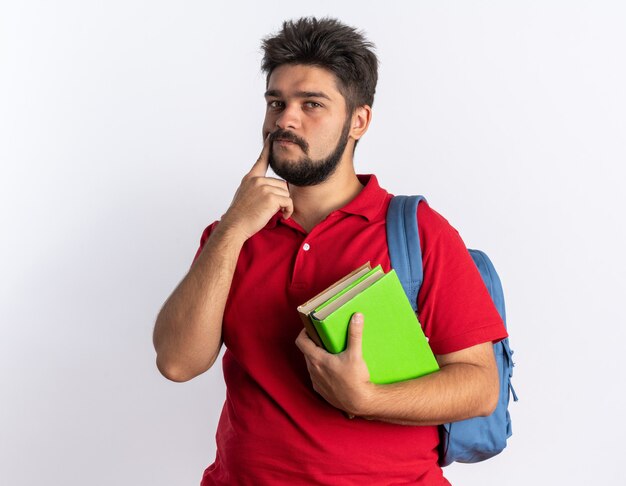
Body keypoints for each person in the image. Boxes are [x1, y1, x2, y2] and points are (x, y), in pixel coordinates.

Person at [153, 17, 508, 485]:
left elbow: (480, 387)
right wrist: (234, 226)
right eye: (276, 102)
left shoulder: (418, 232)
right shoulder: (232, 234)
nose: (285, 120)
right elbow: (178, 362)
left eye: (311, 104)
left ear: (358, 120)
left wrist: (367, 400)